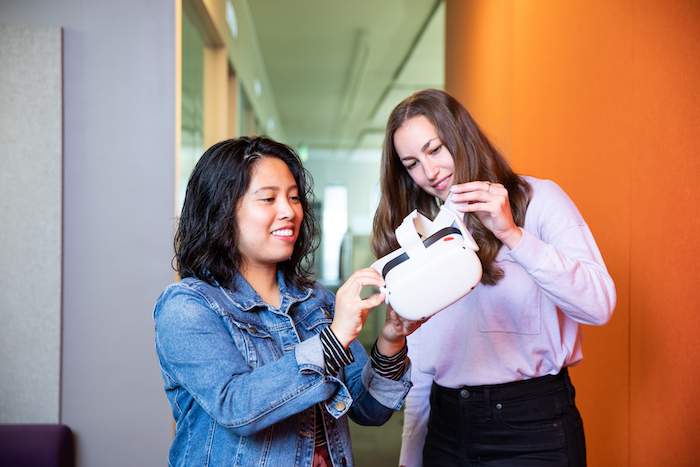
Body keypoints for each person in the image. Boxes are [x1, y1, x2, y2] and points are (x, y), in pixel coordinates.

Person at [371, 89, 616, 467]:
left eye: (435, 150)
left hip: (532, 427)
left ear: (460, 136)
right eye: (411, 163)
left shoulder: (538, 201)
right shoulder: (422, 233)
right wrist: (410, 458)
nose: (429, 172)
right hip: (447, 426)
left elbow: (599, 306)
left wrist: (512, 235)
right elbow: (421, 362)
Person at [154, 136, 423, 467]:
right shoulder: (188, 306)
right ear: (221, 211)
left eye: (294, 197)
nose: (289, 211)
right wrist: (333, 341)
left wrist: (391, 340)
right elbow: (238, 407)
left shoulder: (317, 301)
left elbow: (370, 410)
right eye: (268, 198)